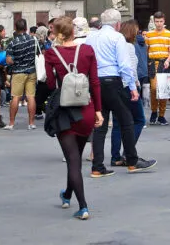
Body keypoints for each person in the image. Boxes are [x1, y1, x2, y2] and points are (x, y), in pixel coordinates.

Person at [44, 16, 103, 220]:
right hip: (86, 109)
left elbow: (51, 84)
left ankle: (84, 206)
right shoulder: (87, 51)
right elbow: (95, 82)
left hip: (65, 111)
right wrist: (98, 111)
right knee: (76, 157)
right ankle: (67, 194)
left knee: (73, 161)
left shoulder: (51, 53)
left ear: (58, 35)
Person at [87, 8, 156, 176]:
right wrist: (132, 87)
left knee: (100, 124)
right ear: (118, 24)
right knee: (126, 120)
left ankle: (97, 166)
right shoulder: (117, 37)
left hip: (95, 82)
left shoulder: (91, 37)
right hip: (113, 81)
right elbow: (124, 65)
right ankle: (132, 160)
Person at [111, 19, 148, 166]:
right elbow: (131, 69)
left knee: (117, 123)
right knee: (139, 120)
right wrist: (135, 86)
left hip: (115, 86)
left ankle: (115, 157)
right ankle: (128, 152)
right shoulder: (129, 47)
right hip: (128, 86)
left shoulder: (115, 45)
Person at [4, 18, 39, 130]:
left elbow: (9, 60)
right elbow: (38, 54)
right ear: (26, 28)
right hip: (31, 71)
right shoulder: (33, 40)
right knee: (31, 97)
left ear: (15, 28)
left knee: (15, 97)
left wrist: (16, 61)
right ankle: (31, 123)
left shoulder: (12, 42)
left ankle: (11, 123)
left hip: (18, 72)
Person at [143, 10, 170, 125]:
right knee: (153, 88)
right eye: (157, 21)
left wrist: (167, 61)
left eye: (161, 21)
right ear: (154, 22)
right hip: (152, 63)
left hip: (164, 62)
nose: (159, 24)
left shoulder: (169, 34)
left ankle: (161, 115)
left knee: (163, 90)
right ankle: (153, 111)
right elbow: (146, 50)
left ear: (164, 21)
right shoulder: (149, 34)